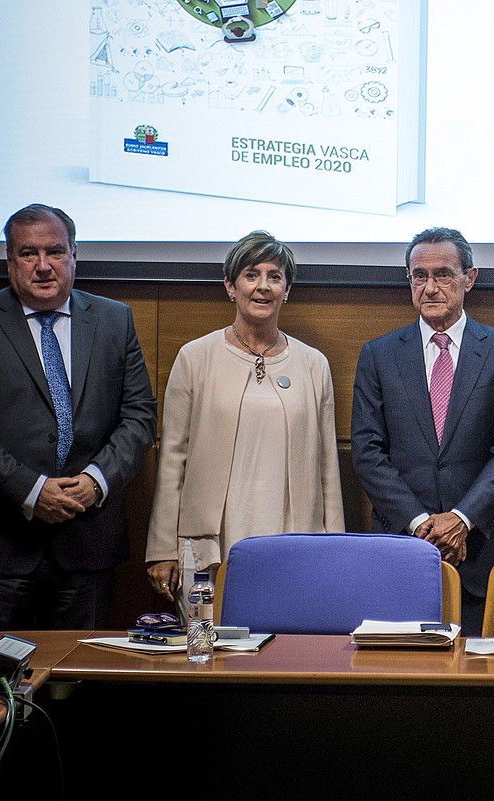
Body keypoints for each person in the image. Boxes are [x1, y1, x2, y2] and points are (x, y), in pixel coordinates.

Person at [0, 203, 156, 629]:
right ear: (9, 260)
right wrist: (32, 490)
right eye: (27, 253)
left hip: (86, 544)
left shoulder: (114, 320)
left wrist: (97, 481)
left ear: (74, 255)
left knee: (76, 687)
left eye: (54, 251)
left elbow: (139, 415)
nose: (43, 266)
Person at [146, 231, 345, 605]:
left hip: (293, 540)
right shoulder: (195, 357)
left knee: (287, 651)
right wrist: (161, 548)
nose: (263, 287)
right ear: (230, 286)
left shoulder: (312, 363)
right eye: (251, 275)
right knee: (208, 653)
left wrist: (332, 546)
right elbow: (172, 457)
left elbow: (327, 467)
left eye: (275, 276)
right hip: (212, 542)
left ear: (287, 289)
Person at [352, 227, 494, 634]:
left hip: (479, 552)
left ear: (470, 278)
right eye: (419, 276)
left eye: (443, 274)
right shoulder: (378, 354)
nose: (430, 287)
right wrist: (419, 522)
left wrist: (460, 519)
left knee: (478, 681)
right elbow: (367, 452)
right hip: (401, 546)